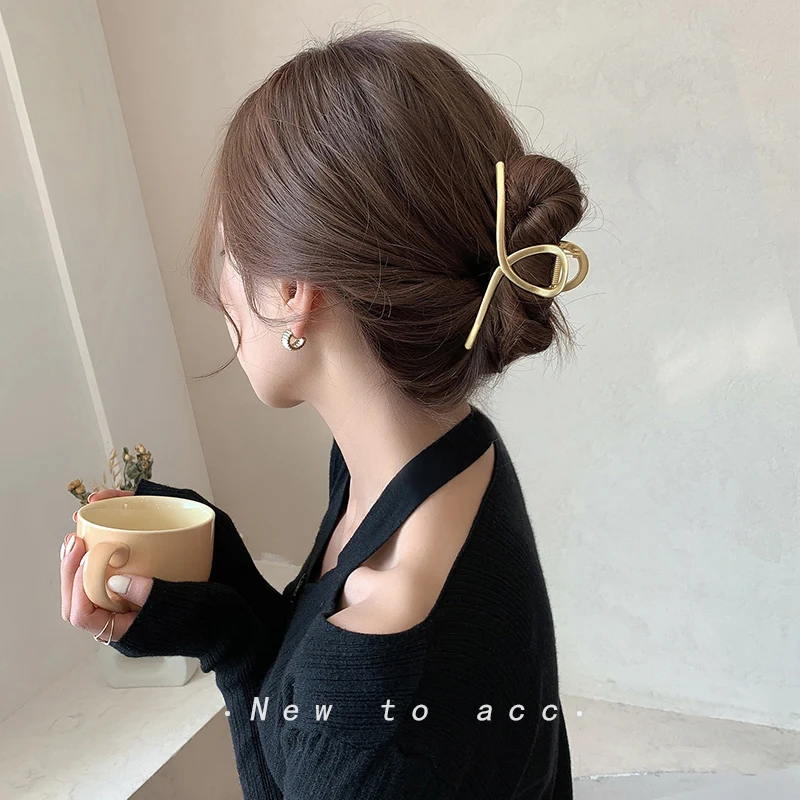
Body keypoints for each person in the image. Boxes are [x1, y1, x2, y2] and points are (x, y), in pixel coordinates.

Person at [60, 27, 589, 799]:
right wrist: (228, 603)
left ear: (290, 292)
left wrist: (229, 646)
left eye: (231, 251)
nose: (220, 286)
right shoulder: (444, 455)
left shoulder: (375, 714)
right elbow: (308, 704)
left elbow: (321, 750)